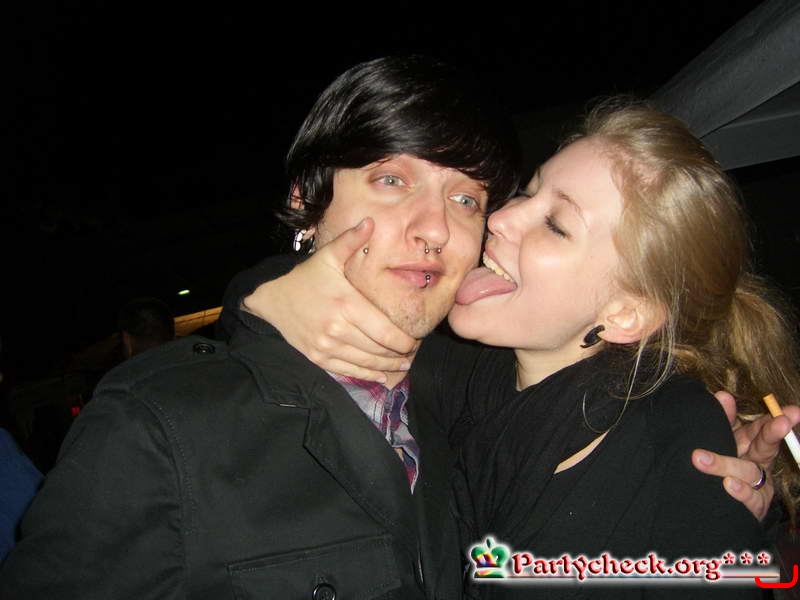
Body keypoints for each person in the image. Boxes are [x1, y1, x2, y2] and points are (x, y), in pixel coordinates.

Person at [231, 99, 800, 596]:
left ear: (626, 313)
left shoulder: (675, 443)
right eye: (527, 191)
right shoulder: (470, 378)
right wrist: (262, 302)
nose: (500, 217)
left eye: (555, 224)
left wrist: (745, 527)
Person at [0, 55, 520, 600]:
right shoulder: (159, 424)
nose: (436, 229)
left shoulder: (471, 403)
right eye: (391, 180)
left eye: (466, 198)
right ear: (306, 203)